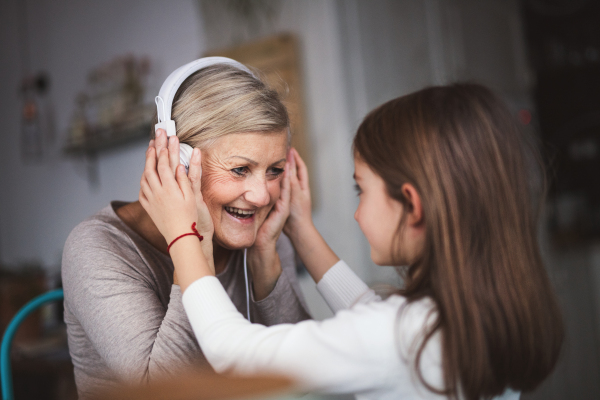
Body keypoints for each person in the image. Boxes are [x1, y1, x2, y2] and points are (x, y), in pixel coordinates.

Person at [139, 83, 564, 400]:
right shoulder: (476, 316)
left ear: (411, 206)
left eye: (362, 190)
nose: (357, 211)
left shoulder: (401, 337)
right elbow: (376, 319)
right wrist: (302, 230)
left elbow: (237, 354)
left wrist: (182, 235)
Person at [61, 63, 311, 399]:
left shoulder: (262, 232)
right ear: (177, 161)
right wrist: (192, 245)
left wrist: (266, 265)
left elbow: (307, 376)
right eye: (239, 170)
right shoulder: (96, 248)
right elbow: (165, 393)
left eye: (274, 170)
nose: (262, 195)